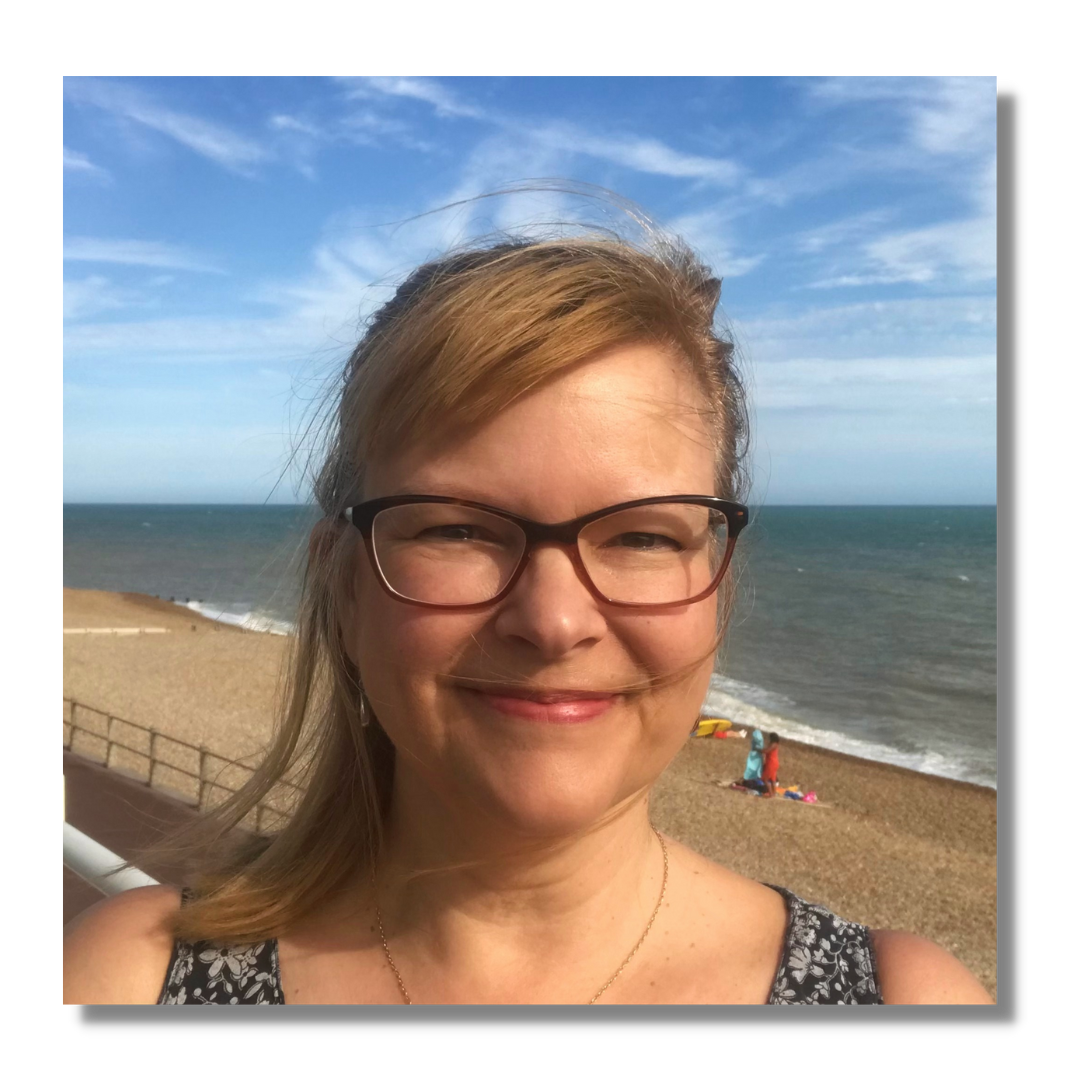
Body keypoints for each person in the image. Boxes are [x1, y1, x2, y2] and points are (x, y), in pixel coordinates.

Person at [62, 210, 993, 1005]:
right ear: (343, 585)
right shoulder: (128, 977)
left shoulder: (903, 993)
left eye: (642, 537)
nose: (554, 622)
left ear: (718, 581)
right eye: (459, 529)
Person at [762, 733, 781, 798]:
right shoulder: (775, 744)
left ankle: (771, 794)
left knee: (765, 779)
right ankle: (773, 793)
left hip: (771, 763)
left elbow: (767, 751)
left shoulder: (773, 744)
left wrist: (758, 750)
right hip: (773, 763)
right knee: (773, 779)